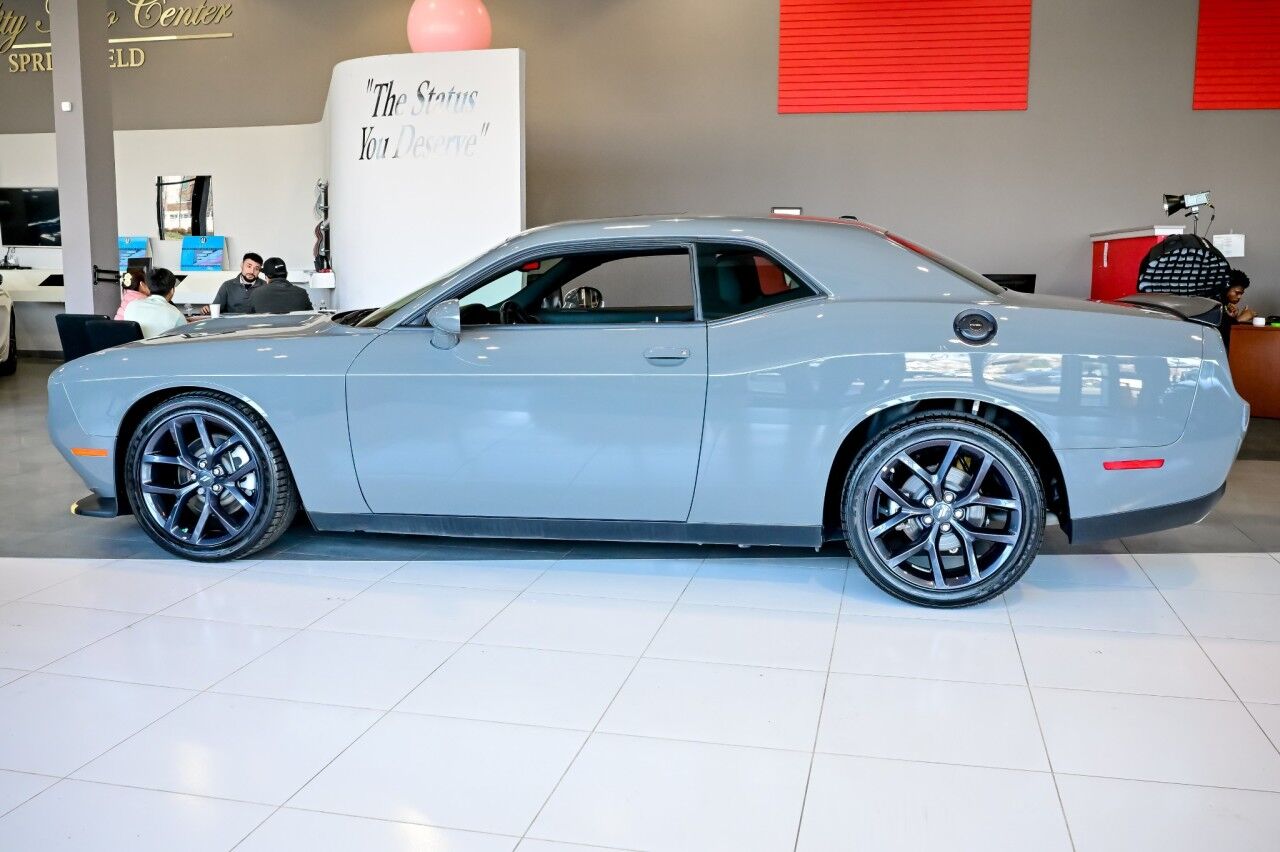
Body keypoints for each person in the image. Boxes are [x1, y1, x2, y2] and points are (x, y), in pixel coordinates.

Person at [123, 268, 188, 339]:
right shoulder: (176, 315)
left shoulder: (131, 306)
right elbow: (183, 341)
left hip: (134, 349)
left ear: (148, 287)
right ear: (172, 290)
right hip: (163, 349)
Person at [248, 257, 313, 314]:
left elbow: (247, 320)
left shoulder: (256, 293)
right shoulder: (301, 293)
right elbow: (312, 317)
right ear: (286, 274)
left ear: (267, 276)